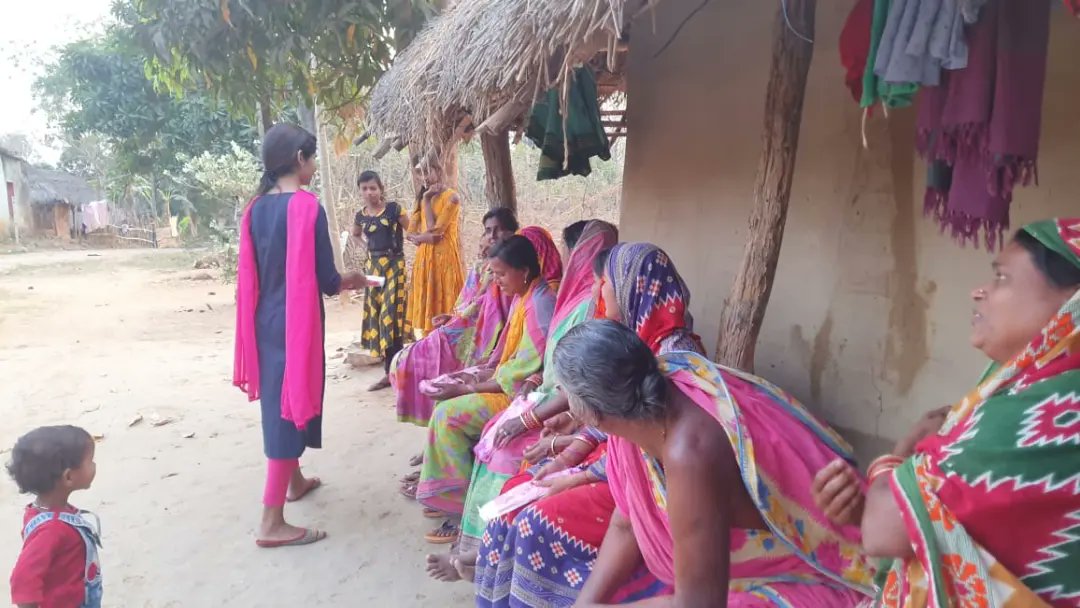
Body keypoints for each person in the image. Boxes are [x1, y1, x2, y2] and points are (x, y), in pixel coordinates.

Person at [813, 218, 1080, 608]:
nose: (980, 291)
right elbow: (961, 530)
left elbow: (885, 532)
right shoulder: (1042, 395)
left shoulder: (1038, 418)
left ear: (1071, 303)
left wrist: (899, 454)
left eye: (1002, 278)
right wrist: (869, 505)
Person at [553, 320, 875, 607]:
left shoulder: (690, 453)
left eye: (564, 394)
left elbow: (699, 603)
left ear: (592, 413)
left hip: (809, 575)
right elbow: (625, 524)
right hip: (727, 576)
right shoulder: (639, 415)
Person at [471, 242, 705, 606]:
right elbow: (617, 420)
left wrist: (575, 470)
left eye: (604, 283)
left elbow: (645, 453)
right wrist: (567, 453)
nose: (596, 292)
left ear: (634, 287)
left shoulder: (676, 357)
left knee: (537, 520)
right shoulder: (634, 338)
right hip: (618, 462)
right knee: (523, 483)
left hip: (644, 478)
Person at [425, 220, 617, 582]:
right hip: (556, 401)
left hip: (574, 409)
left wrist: (540, 424)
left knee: (507, 448)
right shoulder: (573, 298)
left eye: (571, 252)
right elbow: (549, 362)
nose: (565, 259)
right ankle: (474, 544)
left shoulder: (587, 306)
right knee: (497, 436)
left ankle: (486, 553)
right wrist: (529, 386)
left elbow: (588, 387)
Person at [233, 124, 369, 548]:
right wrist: (358, 279)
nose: (313, 165)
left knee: (281, 401)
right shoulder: (308, 208)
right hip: (297, 325)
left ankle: (294, 482)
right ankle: (271, 521)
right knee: (288, 407)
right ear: (299, 160)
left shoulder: (254, 209)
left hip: (264, 320)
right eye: (311, 157)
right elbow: (329, 280)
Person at [411, 229, 561, 543]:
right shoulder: (526, 297)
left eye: (501, 273)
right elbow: (509, 358)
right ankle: (451, 495)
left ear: (523, 271)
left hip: (524, 398)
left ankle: (458, 512)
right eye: (493, 273)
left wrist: (470, 388)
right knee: (445, 403)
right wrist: (476, 376)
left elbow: (529, 369)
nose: (496, 280)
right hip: (512, 386)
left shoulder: (539, 304)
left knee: (448, 415)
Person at [391, 207, 519, 429]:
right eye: (488, 231)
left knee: (421, 361)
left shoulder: (514, 267)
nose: (492, 236)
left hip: (491, 337)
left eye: (499, 230)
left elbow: (489, 307)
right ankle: (435, 427)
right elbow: (471, 302)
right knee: (409, 360)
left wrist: (458, 321)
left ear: (513, 232)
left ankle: (443, 425)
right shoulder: (484, 265)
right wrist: (452, 317)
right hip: (469, 327)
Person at [7, 425, 102, 608]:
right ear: (68, 477)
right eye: (90, 461)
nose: (95, 466)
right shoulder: (52, 529)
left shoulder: (43, 511)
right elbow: (23, 580)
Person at [352, 170, 409, 391]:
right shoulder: (361, 215)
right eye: (364, 188)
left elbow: (411, 229)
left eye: (373, 188)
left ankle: (397, 372)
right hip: (373, 269)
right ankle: (390, 373)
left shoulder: (394, 210)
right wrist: (365, 247)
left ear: (381, 189)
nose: (369, 192)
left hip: (395, 266)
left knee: (391, 316)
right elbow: (356, 234)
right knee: (378, 315)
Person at [405, 165, 465, 338]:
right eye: (419, 173)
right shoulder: (421, 198)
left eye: (427, 171)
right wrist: (423, 238)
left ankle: (449, 344)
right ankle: (429, 345)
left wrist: (426, 199)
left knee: (446, 301)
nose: (423, 177)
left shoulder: (452, 197)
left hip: (444, 258)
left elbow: (434, 231)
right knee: (428, 302)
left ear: (439, 170)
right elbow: (410, 233)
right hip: (424, 259)